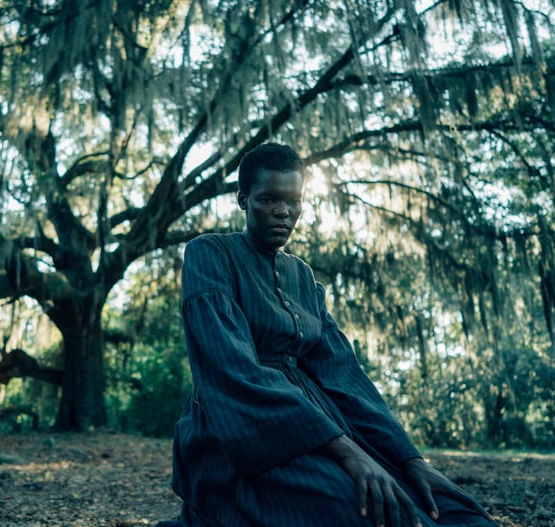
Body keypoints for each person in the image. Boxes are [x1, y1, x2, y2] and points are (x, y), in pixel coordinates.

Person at [167, 143, 497, 527]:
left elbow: (344, 376)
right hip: (240, 431)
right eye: (268, 199)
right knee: (369, 512)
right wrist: (346, 452)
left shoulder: (303, 277)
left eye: (293, 201)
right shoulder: (210, 254)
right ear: (243, 200)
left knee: (456, 513)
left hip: (324, 423)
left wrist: (410, 460)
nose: (283, 212)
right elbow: (232, 371)